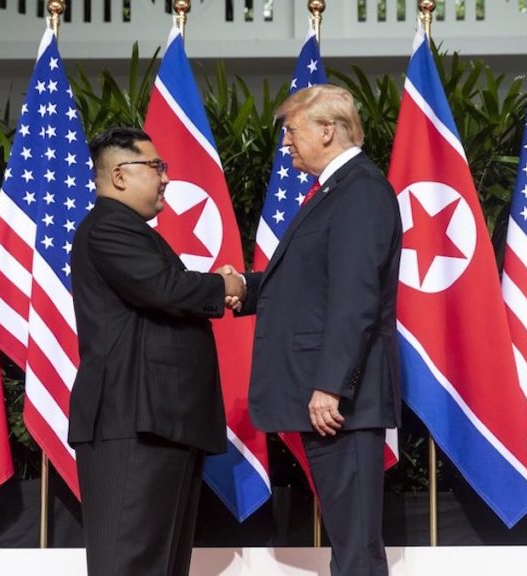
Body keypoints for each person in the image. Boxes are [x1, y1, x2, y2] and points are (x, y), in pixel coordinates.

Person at [229, 85, 402, 575]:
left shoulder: (360, 190)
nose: (286, 143)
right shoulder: (336, 190)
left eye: (292, 130)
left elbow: (355, 298)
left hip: (340, 400)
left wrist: (330, 385)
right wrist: (243, 286)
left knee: (355, 545)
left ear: (327, 130)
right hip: (331, 395)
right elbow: (310, 282)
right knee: (350, 538)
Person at [68, 127, 245, 576]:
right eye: (156, 167)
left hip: (160, 419)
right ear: (120, 175)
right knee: (132, 562)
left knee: (161, 563)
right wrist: (224, 285)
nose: (165, 177)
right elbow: (165, 288)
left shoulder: (130, 230)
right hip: (132, 420)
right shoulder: (109, 225)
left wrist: (246, 287)